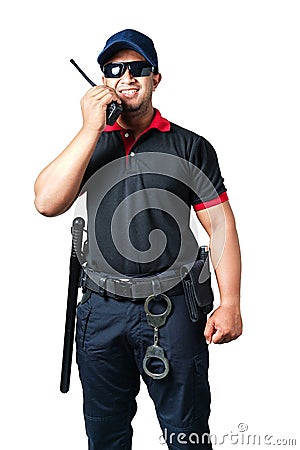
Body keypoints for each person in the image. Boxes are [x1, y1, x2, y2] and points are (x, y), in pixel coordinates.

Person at [34, 29, 242, 450]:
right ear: (102, 81)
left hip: (173, 309)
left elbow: (220, 226)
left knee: (187, 436)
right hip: (100, 311)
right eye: (115, 70)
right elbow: (46, 202)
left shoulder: (189, 145)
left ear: (155, 78)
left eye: (138, 68)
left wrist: (231, 301)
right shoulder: (90, 143)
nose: (127, 77)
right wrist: (91, 128)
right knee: (106, 437)